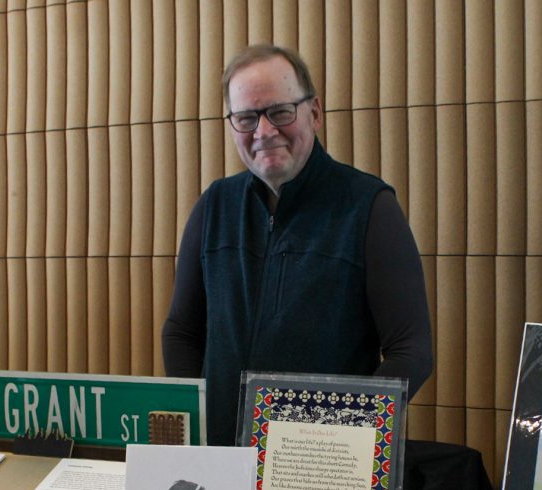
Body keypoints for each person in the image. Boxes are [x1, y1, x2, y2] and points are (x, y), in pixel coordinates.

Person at [162, 45, 433, 445]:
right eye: (246, 118)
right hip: (221, 458)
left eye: (280, 112)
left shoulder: (369, 207)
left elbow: (412, 350)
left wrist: (339, 433)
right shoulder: (214, 206)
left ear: (315, 113)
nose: (264, 132)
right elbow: (181, 332)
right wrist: (197, 427)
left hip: (321, 463)